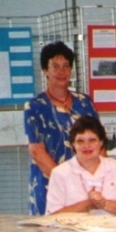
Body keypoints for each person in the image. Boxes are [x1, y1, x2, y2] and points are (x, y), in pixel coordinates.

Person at [25, 41, 100, 215]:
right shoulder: (35, 106)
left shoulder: (85, 102)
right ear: (45, 71)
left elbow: (99, 144)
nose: (61, 71)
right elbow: (36, 151)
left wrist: (97, 179)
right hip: (50, 184)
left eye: (66, 66)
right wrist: (68, 184)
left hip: (86, 186)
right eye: (55, 66)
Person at [46, 116, 116, 216]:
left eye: (92, 140)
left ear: (101, 142)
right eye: (80, 141)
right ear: (73, 144)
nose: (86, 145)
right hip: (73, 231)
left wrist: (104, 204)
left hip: (113, 230)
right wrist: (87, 205)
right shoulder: (59, 173)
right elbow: (53, 215)